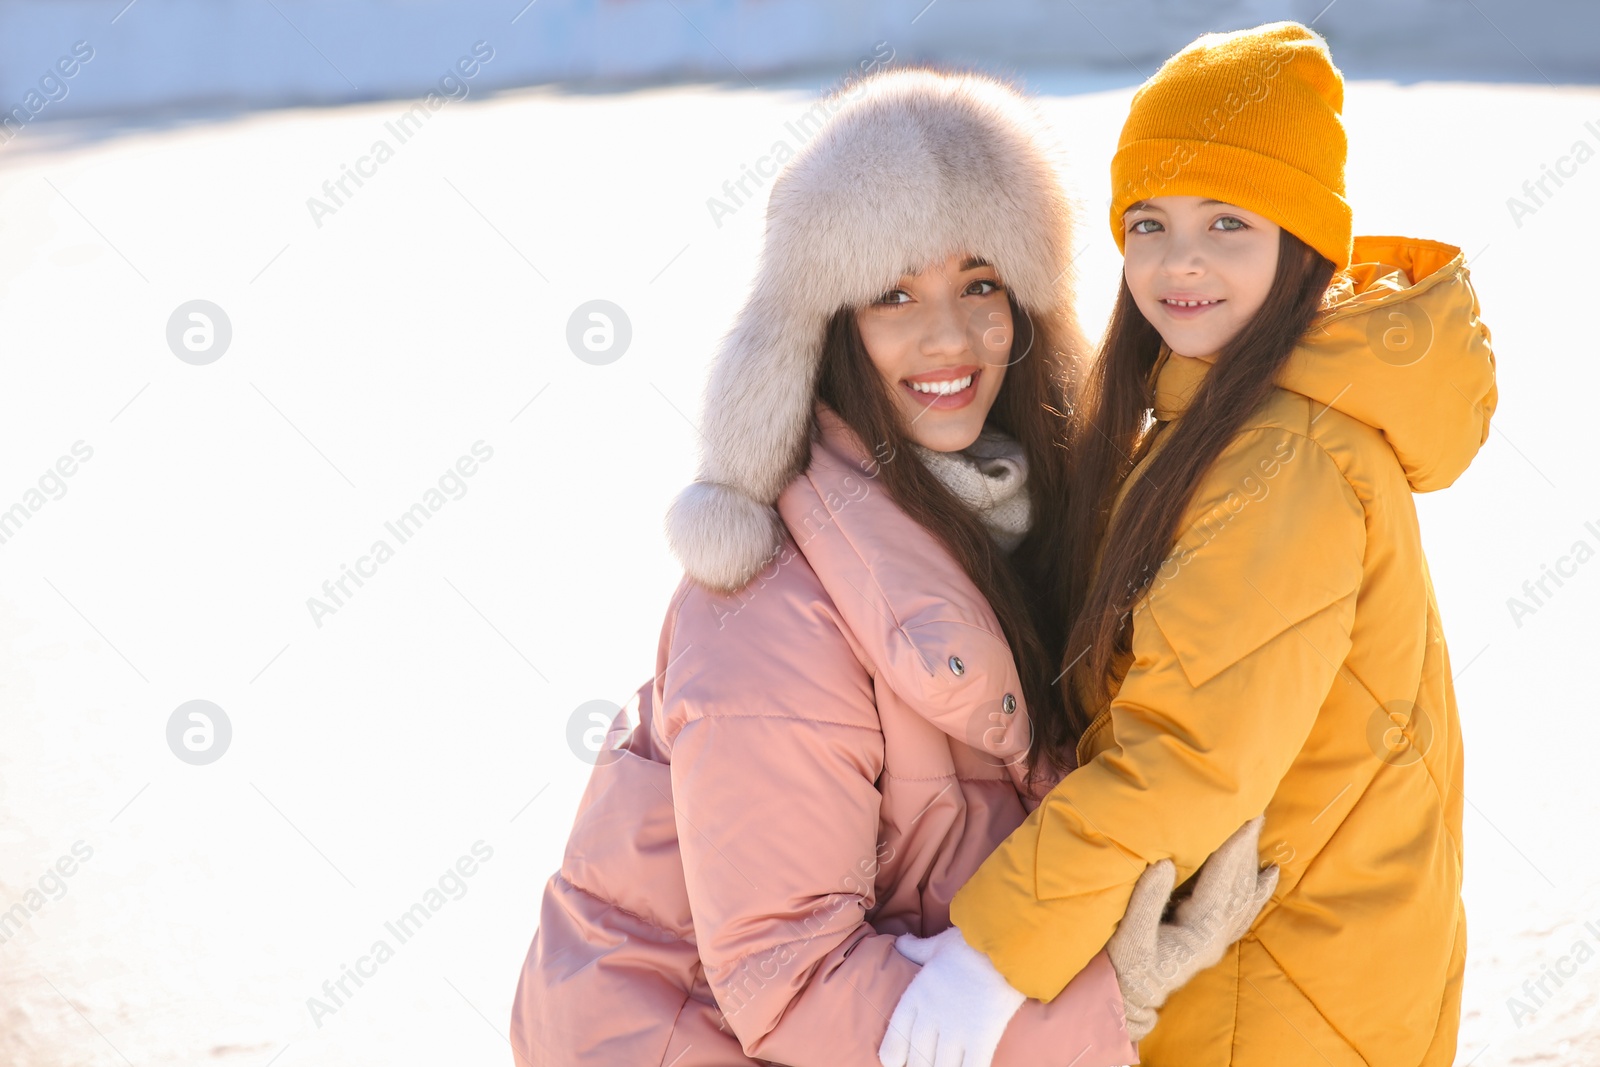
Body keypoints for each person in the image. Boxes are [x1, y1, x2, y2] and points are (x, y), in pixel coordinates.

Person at [509, 66, 1277, 1067]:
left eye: (980, 283)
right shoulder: (768, 612)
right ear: (828, 330)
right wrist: (1111, 999)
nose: (948, 334)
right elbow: (789, 982)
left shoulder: (1031, 527)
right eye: (894, 292)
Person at [881, 22, 1498, 1067]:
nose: (1180, 265)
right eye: (1149, 223)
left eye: (1227, 223)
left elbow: (1185, 759)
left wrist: (988, 957)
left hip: (1279, 990)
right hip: (1293, 959)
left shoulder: (1283, 461)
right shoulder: (1208, 417)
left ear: (1302, 242)